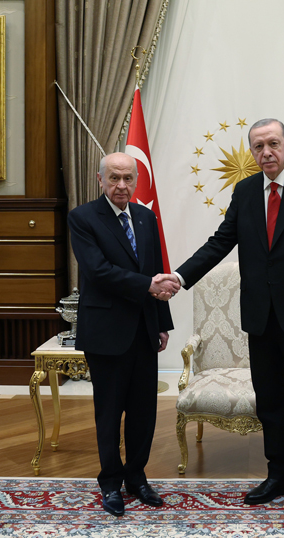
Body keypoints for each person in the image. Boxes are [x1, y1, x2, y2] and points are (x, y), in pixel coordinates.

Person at [168, 118, 284, 520]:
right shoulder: (246, 191)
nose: (266, 152)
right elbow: (220, 242)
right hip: (261, 317)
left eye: (273, 144)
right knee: (270, 402)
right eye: (258, 146)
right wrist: (180, 277)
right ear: (252, 152)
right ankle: (279, 475)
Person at [67, 152, 179, 517]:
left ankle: (137, 477)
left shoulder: (146, 218)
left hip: (144, 330)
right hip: (106, 332)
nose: (121, 185)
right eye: (114, 178)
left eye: (128, 178)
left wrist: (161, 322)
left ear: (136, 181)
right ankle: (111, 482)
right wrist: (148, 285)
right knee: (109, 412)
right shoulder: (83, 217)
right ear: (101, 180)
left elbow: (156, 270)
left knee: (144, 411)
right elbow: (97, 271)